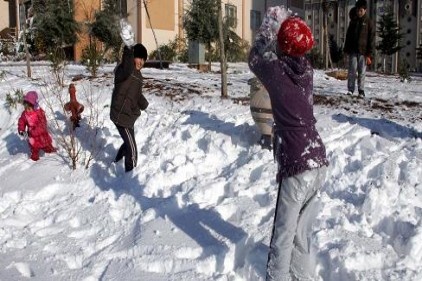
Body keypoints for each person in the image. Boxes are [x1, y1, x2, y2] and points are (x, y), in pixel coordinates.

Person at [248, 7, 329, 281]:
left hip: (297, 164)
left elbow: (254, 58)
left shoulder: (276, 71)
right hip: (317, 160)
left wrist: (268, 27)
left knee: (282, 235)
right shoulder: (307, 70)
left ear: (282, 46)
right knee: (300, 234)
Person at [110, 19, 149, 172]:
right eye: (139, 57)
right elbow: (127, 62)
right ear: (134, 57)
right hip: (121, 115)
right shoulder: (125, 70)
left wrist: (145, 105)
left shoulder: (139, 76)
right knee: (132, 148)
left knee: (128, 142)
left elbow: (137, 95)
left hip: (128, 115)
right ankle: (129, 175)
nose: (141, 61)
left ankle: (116, 161)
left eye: (143, 59)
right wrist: (128, 47)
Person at [343, 0, 374, 97]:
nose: (359, 12)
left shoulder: (369, 22)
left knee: (362, 72)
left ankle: (361, 90)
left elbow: (371, 39)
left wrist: (369, 54)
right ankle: (350, 90)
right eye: (357, 10)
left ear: (365, 10)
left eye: (361, 10)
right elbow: (348, 37)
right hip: (353, 50)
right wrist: (346, 50)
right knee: (351, 71)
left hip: (363, 52)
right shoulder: (353, 22)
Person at [18, 91, 56, 161]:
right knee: (34, 147)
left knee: (46, 143)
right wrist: (21, 129)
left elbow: (43, 124)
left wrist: (35, 131)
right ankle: (34, 156)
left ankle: (49, 149)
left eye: (29, 108)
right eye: (25, 108)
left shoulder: (39, 113)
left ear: (34, 107)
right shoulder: (25, 114)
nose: (27, 110)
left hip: (41, 134)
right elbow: (21, 121)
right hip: (32, 136)